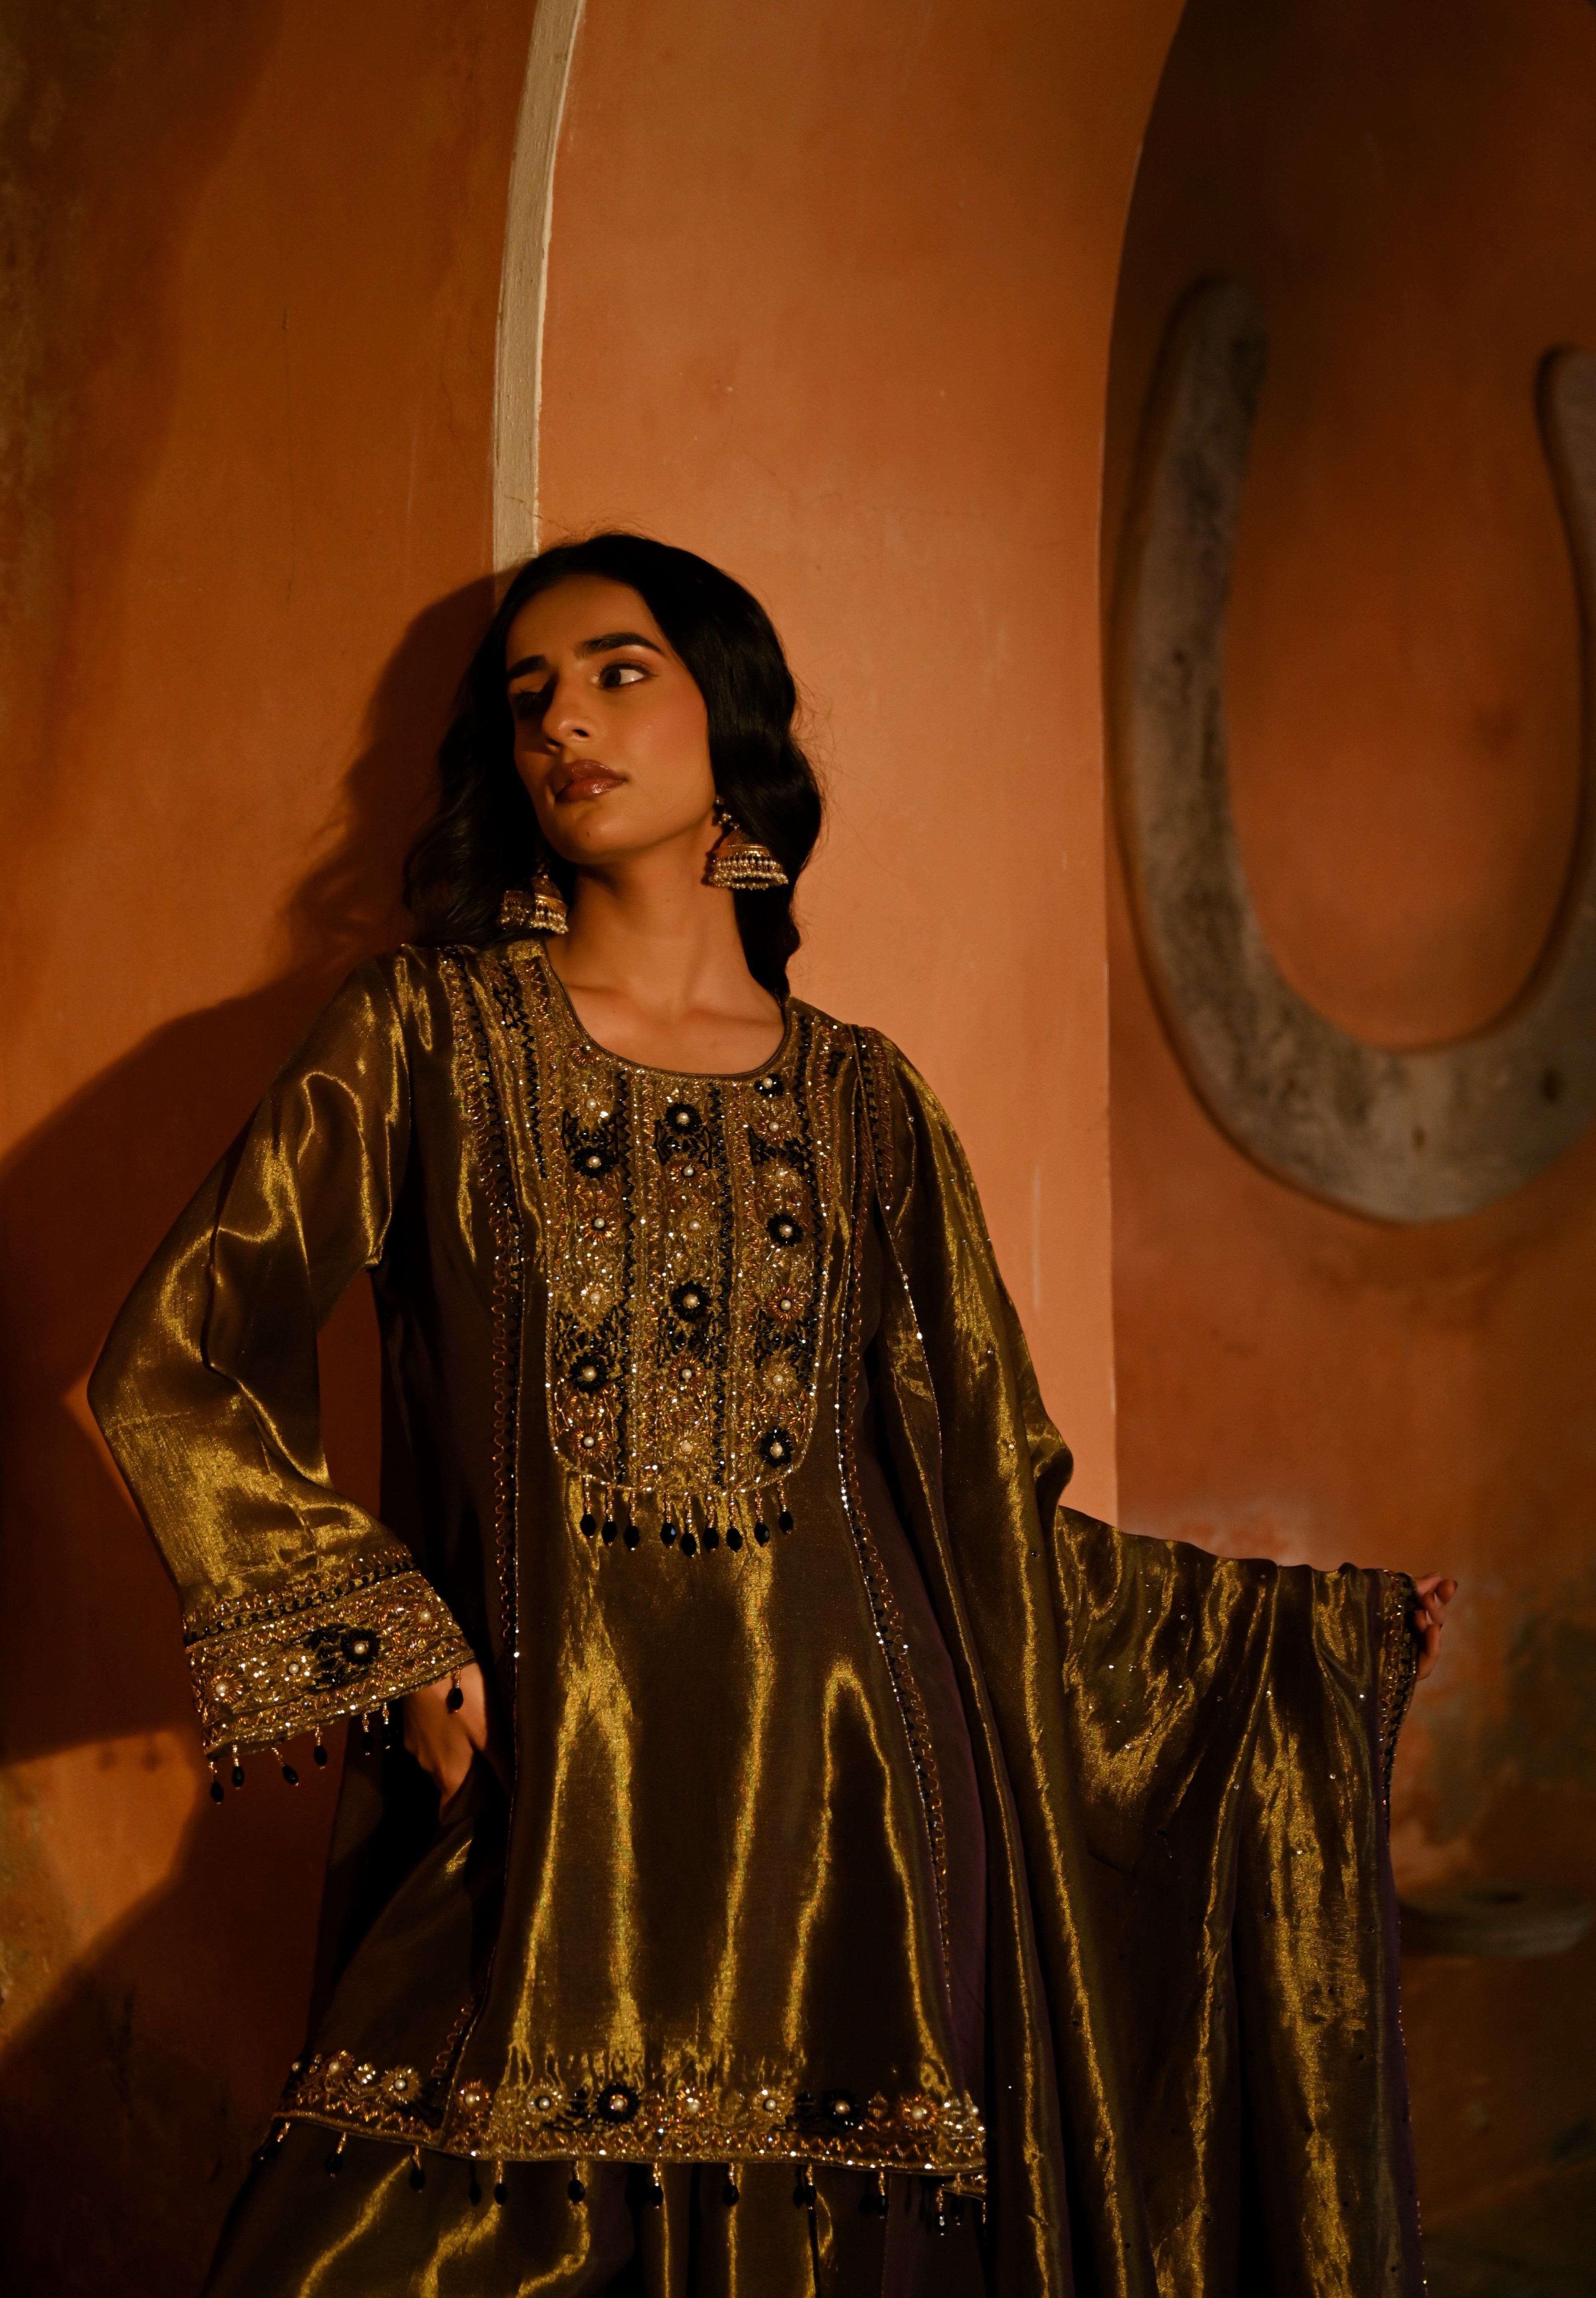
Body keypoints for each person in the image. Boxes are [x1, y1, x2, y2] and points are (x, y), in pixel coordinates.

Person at [90, 533, 1455, 2298]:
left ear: (731, 728)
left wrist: (1283, 1642)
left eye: (616, 672)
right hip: (548, 1814)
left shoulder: (869, 1106)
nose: (563, 723)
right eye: (529, 699)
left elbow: (983, 1512)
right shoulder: (424, 1036)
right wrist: (395, 1652)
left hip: (865, 1839)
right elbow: (177, 1356)